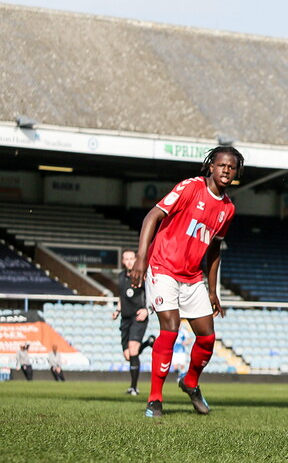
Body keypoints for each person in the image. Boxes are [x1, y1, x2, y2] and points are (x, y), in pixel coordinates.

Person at [130, 146, 241, 418]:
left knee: (207, 337)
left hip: (193, 278)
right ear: (210, 166)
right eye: (221, 165)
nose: (226, 170)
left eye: (232, 167)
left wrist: (213, 290)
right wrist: (141, 259)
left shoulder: (227, 208)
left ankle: (190, 382)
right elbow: (152, 216)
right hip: (163, 267)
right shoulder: (190, 187)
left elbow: (214, 249)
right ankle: (155, 398)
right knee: (170, 327)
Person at [112, 248, 155, 395]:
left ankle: (133, 388)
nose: (130, 261)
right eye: (127, 259)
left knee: (133, 349)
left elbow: (152, 294)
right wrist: (117, 311)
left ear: (136, 259)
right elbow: (122, 296)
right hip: (125, 318)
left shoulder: (143, 275)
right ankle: (148, 343)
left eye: (132, 258)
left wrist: (146, 310)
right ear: (123, 261)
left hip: (138, 317)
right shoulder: (121, 276)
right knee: (128, 355)